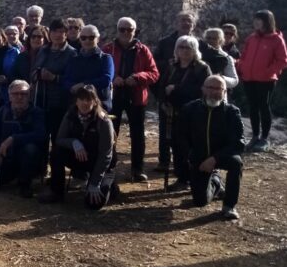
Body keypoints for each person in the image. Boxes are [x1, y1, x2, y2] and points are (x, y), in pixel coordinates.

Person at [39, 85, 118, 209]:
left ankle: (109, 182)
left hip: (99, 162)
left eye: (89, 99)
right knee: (56, 152)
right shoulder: (70, 115)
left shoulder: (104, 121)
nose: (85, 103)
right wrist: (74, 142)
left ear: (95, 101)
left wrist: (94, 183)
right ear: (76, 101)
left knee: (94, 204)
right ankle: (56, 191)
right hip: (80, 157)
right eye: (81, 99)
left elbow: (106, 155)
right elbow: (59, 139)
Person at [178, 76, 245, 220]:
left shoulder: (232, 112)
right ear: (203, 89)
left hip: (222, 156)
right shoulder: (190, 109)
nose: (214, 92)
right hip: (199, 158)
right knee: (200, 201)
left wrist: (214, 159)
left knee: (236, 163)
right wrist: (190, 156)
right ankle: (216, 182)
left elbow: (239, 143)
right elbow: (180, 137)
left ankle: (229, 206)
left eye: (218, 89)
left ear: (224, 92)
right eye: (210, 88)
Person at [102, 17, 159, 182]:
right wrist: (113, 79)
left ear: (135, 31)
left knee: (137, 134)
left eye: (130, 29)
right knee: (110, 133)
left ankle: (137, 169)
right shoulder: (107, 49)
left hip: (136, 97)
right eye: (122, 29)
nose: (126, 32)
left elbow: (154, 73)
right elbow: (102, 70)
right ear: (117, 30)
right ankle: (108, 166)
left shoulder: (143, 50)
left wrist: (139, 77)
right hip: (114, 97)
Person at [158, 35, 212, 191]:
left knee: (192, 148)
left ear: (194, 50)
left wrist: (177, 89)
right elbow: (162, 86)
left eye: (188, 47)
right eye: (181, 47)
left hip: (193, 114)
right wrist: (164, 102)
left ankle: (195, 178)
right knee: (176, 146)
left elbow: (204, 90)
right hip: (172, 114)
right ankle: (182, 178)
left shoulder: (202, 68)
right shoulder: (172, 66)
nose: (184, 50)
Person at [153, 11, 200, 174]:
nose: (186, 23)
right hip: (169, 101)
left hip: (190, 103)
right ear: (176, 23)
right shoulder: (165, 42)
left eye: (189, 21)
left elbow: (216, 55)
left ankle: (186, 166)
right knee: (165, 132)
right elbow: (155, 63)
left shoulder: (199, 43)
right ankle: (164, 161)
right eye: (182, 20)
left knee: (187, 135)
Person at [0, 80, 47, 198]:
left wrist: (13, 138)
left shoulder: (37, 112)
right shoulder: (3, 111)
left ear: (29, 96)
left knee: (30, 149)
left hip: (28, 159)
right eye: (15, 94)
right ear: (9, 96)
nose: (19, 97)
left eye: (23, 94)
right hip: (6, 158)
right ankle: (14, 175)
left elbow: (40, 135)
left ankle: (25, 184)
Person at [237, 10, 287, 152]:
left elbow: (282, 61)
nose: (256, 22)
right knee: (253, 107)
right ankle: (255, 136)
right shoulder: (251, 38)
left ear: (267, 21)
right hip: (249, 78)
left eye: (259, 20)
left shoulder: (277, 39)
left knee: (263, 107)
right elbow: (244, 56)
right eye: (255, 19)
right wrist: (242, 66)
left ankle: (264, 139)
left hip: (266, 80)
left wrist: (267, 72)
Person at [34, 19, 77, 148]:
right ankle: (40, 167)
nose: (58, 35)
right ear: (50, 33)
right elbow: (35, 69)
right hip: (41, 101)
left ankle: (57, 167)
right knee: (40, 137)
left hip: (60, 103)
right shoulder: (43, 50)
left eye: (62, 31)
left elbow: (73, 80)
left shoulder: (72, 53)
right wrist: (36, 75)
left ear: (66, 34)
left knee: (58, 139)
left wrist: (54, 78)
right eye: (55, 31)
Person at [63, 25, 114, 111]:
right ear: (80, 39)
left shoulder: (106, 58)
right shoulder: (74, 59)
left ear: (97, 39)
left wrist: (84, 85)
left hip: (100, 106)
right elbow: (66, 79)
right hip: (77, 106)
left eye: (91, 37)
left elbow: (106, 79)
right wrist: (71, 87)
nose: (87, 41)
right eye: (83, 38)